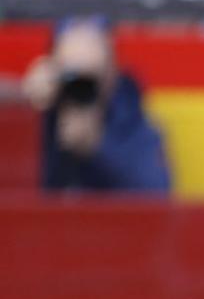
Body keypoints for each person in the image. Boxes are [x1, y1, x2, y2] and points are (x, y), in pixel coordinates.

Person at [22, 18, 171, 195]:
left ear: (113, 71)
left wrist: (97, 148)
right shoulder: (44, 111)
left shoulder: (132, 118)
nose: (80, 90)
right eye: (71, 78)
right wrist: (25, 110)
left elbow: (156, 199)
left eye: (91, 79)